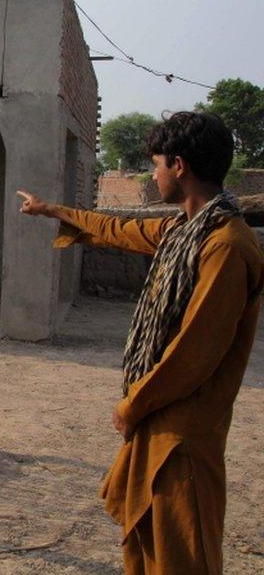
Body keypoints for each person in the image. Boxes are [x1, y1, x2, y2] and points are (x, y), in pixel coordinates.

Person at [17, 111, 263, 574]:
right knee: (146, 542)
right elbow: (117, 228)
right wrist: (51, 210)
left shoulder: (226, 246)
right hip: (161, 421)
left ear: (179, 166)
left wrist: (132, 405)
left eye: (156, 165)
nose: (153, 175)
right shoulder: (183, 232)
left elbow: (194, 353)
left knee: (183, 553)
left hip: (183, 434)